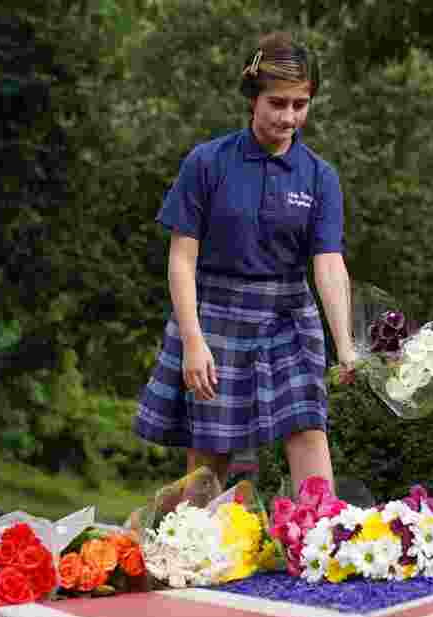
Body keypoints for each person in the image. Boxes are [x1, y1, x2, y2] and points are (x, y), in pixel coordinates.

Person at [133, 31, 356, 498]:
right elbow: (181, 258)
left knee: (308, 427)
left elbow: (329, 264)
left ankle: (322, 541)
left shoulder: (319, 176)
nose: (289, 116)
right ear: (253, 98)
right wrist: (193, 342)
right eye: (278, 103)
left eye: (301, 104)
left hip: (288, 315)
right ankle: (196, 556)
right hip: (215, 314)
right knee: (210, 454)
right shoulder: (207, 162)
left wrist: (346, 346)